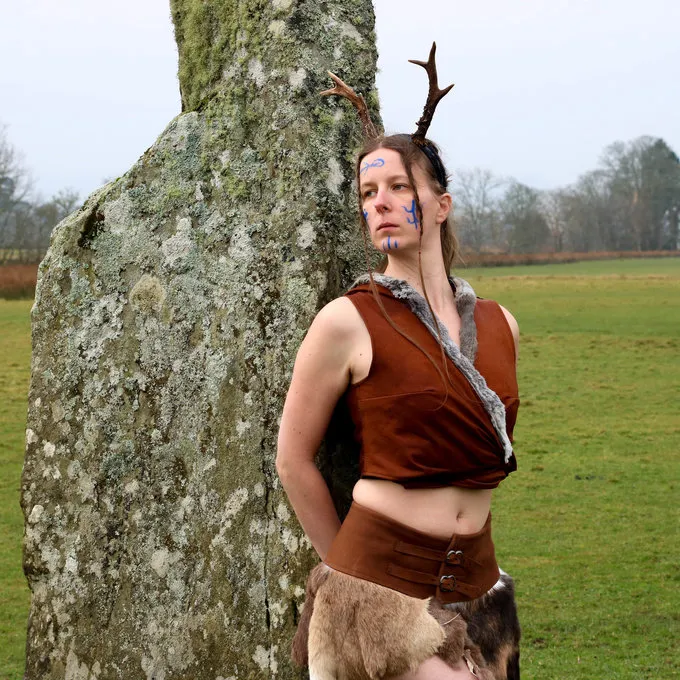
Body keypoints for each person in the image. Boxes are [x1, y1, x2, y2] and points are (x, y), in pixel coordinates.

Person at [276, 45, 521, 680]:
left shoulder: (500, 325)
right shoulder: (348, 321)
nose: (380, 202)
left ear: (440, 204)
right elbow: (293, 459)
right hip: (379, 601)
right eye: (368, 192)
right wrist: (349, 577)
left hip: (483, 597)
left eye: (398, 187)